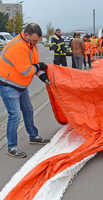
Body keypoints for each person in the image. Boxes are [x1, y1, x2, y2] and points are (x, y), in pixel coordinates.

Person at [0, 23, 50, 158]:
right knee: (14, 115)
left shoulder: (31, 45)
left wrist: (43, 77)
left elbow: (35, 65)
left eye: (37, 41)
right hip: (8, 86)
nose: (36, 43)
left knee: (28, 110)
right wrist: (38, 66)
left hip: (21, 86)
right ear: (26, 35)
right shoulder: (18, 46)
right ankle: (12, 147)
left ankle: (33, 136)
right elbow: (26, 71)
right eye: (34, 40)